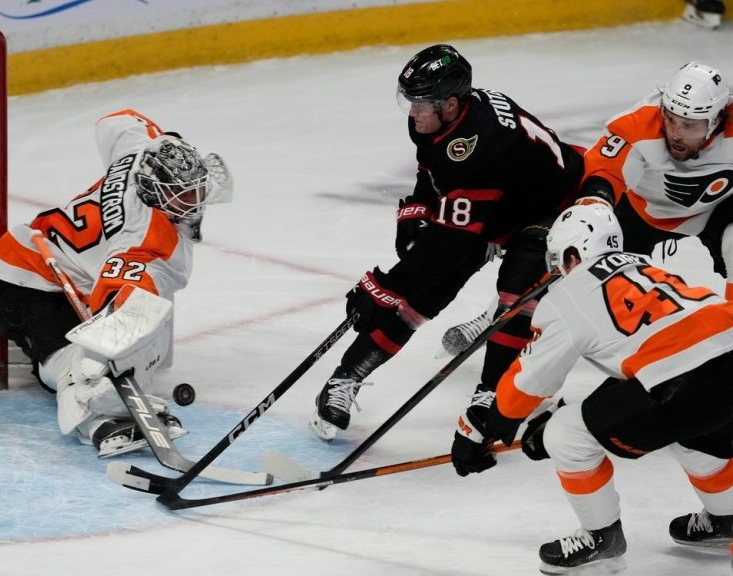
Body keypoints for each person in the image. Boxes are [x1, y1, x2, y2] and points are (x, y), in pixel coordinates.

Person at [308, 44, 587, 441]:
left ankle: (493, 394)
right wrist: (417, 210)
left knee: (517, 291)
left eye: (420, 103)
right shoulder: (437, 121)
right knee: (425, 294)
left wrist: (385, 285)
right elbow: (433, 170)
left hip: (552, 206)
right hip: (497, 204)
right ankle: (346, 378)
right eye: (410, 101)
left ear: (451, 103)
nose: (411, 111)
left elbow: (451, 246)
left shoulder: (481, 141)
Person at [451, 203, 733, 573]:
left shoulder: (570, 294)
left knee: (567, 435)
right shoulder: (647, 268)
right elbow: (649, 362)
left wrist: (487, 428)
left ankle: (602, 538)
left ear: (572, 253)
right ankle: (726, 517)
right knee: (693, 431)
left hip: (686, 383)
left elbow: (528, 382)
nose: (555, 273)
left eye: (557, 263)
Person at [0, 108, 233, 456]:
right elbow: (112, 307)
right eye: (183, 194)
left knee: (150, 316)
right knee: (86, 360)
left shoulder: (141, 154)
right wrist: (99, 365)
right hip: (26, 285)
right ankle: (97, 419)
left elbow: (116, 120)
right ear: (155, 192)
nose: (195, 200)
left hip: (43, 259)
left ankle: (110, 390)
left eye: (195, 189)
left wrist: (164, 142)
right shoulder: (144, 240)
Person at [442, 60, 733, 353]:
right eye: (671, 119)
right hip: (641, 209)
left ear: (717, 120)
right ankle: (499, 314)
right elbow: (603, 172)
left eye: (689, 125)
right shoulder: (639, 125)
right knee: (569, 257)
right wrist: (595, 207)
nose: (676, 132)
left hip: (718, 208)